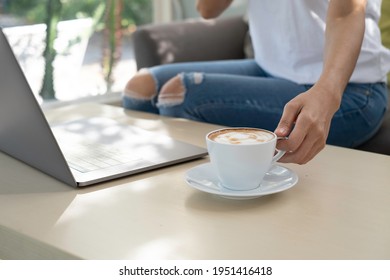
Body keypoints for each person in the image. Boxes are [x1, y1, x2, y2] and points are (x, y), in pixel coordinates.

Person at [123, 0, 390, 164]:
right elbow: (207, 8)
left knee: (179, 94)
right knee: (142, 88)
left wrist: (327, 94)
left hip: (351, 89)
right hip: (270, 69)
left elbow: (347, 12)